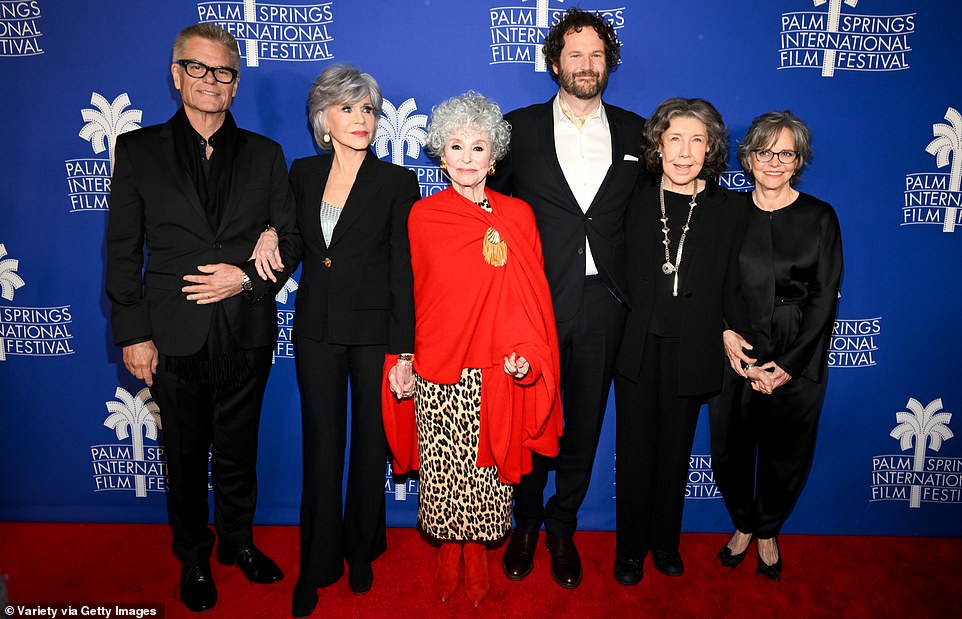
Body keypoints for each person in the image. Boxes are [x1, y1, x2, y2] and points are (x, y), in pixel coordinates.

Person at [105, 23, 300, 613]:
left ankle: (237, 543)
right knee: (185, 458)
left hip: (246, 330)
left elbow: (290, 237)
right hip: (173, 334)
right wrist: (134, 332)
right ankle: (193, 556)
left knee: (239, 452)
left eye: (224, 72)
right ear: (176, 75)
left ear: (236, 85)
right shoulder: (138, 151)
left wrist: (244, 275)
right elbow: (122, 249)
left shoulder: (266, 155)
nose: (211, 82)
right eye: (198, 68)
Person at [382, 92, 563, 607]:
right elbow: (410, 293)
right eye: (456, 146)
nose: (466, 157)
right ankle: (448, 550)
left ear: (494, 154)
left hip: (497, 364)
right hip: (439, 362)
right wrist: (405, 359)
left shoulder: (519, 216)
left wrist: (525, 355)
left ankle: (478, 551)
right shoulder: (422, 216)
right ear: (441, 154)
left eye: (477, 147)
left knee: (486, 468)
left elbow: (531, 299)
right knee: (444, 465)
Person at [488, 8, 645, 589]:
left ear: (610, 63)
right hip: (536, 304)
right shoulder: (518, 128)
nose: (586, 65)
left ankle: (562, 526)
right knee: (534, 422)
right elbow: (488, 210)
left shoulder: (636, 132)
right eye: (574, 54)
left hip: (606, 301)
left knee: (583, 425)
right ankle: (524, 524)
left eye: (596, 54)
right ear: (554, 62)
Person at [283, 65, 419, 617]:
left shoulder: (396, 183)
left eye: (367, 109)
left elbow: (403, 272)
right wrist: (270, 233)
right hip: (315, 329)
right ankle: (316, 564)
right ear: (324, 119)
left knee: (369, 445)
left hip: (372, 333)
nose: (360, 119)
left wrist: (404, 349)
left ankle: (362, 550)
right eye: (347, 108)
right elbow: (287, 234)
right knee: (321, 446)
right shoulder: (301, 173)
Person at [612, 98, 750, 586]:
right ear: (658, 144)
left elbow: (737, 280)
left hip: (693, 347)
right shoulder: (634, 194)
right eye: (675, 139)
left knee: (675, 454)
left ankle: (664, 543)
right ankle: (629, 550)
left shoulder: (728, 208)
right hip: (638, 345)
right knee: (633, 452)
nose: (685, 151)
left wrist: (733, 327)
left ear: (710, 148)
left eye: (697, 140)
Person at [710, 111, 842, 580]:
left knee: (787, 453)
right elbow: (716, 282)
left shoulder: (820, 216)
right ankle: (743, 523)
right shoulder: (727, 212)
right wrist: (727, 333)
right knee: (729, 451)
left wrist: (787, 364)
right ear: (748, 157)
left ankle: (767, 530)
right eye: (765, 151)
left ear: (798, 160)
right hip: (737, 349)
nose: (774, 162)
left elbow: (826, 296)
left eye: (785, 153)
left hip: (798, 350)